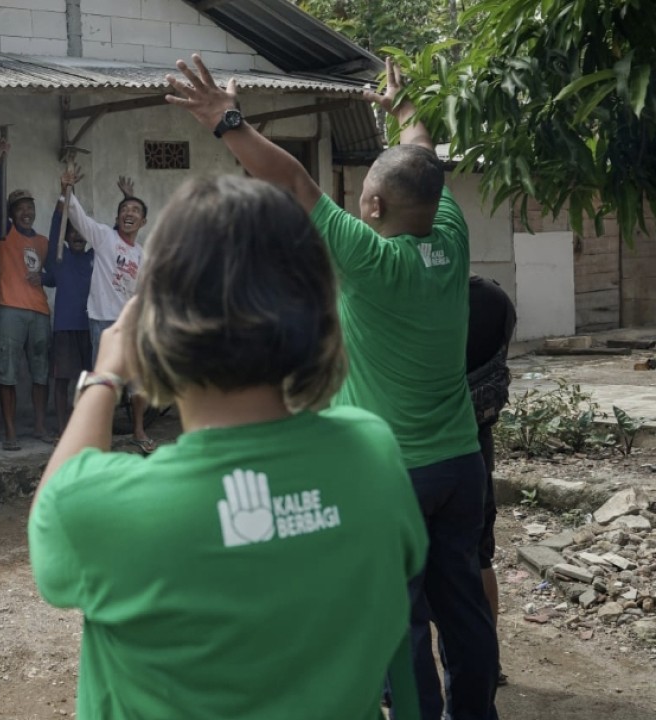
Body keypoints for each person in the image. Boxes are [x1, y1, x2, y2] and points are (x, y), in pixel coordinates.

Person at [165, 54, 498, 720]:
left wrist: (227, 121)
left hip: (395, 474)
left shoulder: (371, 259)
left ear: (372, 205)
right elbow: (421, 154)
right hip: (463, 463)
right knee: (463, 603)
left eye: (364, 193)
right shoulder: (451, 232)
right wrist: (404, 111)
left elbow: (293, 179)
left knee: (398, 614)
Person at [28, 174, 427, 719]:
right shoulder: (373, 453)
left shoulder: (104, 510)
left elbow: (55, 507)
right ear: (319, 310)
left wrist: (104, 377)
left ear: (154, 325)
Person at [61, 171, 155, 453]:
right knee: (103, 382)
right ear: (117, 218)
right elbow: (78, 216)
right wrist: (67, 188)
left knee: (138, 382)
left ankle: (139, 431)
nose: (129, 213)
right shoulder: (104, 237)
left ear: (143, 222)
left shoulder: (141, 254)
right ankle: (98, 436)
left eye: (135, 210)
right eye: (124, 210)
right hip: (102, 321)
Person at [467, 275, 517, 686]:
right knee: (479, 556)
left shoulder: (416, 296)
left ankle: (400, 680)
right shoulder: (496, 299)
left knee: (402, 567)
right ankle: (487, 663)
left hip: (416, 442)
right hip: (476, 441)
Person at [0, 137, 53, 450]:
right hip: (10, 310)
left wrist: (45, 276)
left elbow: (55, 276)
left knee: (41, 373)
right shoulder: (5, 234)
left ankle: (40, 426)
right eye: (20, 208)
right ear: (11, 214)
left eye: (30, 207)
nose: (26, 212)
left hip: (40, 312)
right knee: (8, 373)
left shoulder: (43, 241)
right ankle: (11, 432)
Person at [41, 203, 92, 435]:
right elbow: (55, 230)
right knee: (62, 380)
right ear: (66, 236)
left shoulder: (95, 258)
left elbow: (115, 239)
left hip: (89, 327)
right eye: (72, 232)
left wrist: (128, 198)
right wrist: (63, 199)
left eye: (82, 231)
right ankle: (63, 429)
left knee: (88, 380)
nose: (77, 236)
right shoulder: (60, 257)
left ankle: (84, 427)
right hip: (64, 329)